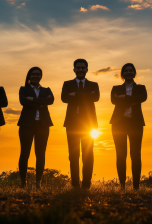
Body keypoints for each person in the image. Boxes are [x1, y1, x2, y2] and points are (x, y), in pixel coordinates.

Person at [61, 59, 100, 189]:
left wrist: (75, 95)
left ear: (87, 69)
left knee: (88, 153)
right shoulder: (67, 84)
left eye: (83, 68)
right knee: (73, 154)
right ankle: (75, 184)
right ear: (74, 70)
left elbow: (96, 97)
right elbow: (64, 98)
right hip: (72, 123)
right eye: (78, 68)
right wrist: (86, 96)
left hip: (88, 124)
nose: (80, 70)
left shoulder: (94, 85)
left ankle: (86, 183)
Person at [110, 63, 147, 190]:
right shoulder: (115, 88)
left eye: (131, 70)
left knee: (136, 154)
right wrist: (132, 99)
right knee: (121, 155)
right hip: (118, 124)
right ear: (122, 74)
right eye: (126, 71)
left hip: (135, 123)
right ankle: (122, 186)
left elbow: (143, 98)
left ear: (134, 73)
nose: (128, 72)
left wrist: (123, 98)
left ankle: (136, 186)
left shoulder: (141, 88)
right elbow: (114, 100)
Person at [18, 67, 54, 189]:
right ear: (29, 76)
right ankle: (24, 182)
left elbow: (51, 101)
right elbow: (23, 102)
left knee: (40, 154)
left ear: (41, 76)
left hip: (43, 125)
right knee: (24, 153)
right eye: (33, 74)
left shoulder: (46, 89)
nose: (35, 76)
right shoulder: (23, 89)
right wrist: (42, 103)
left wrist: (33, 99)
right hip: (26, 124)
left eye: (38, 74)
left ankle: (38, 183)